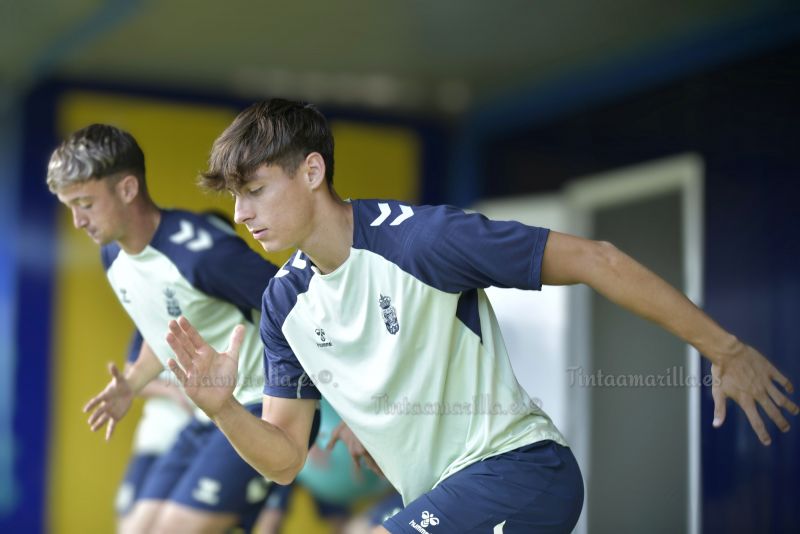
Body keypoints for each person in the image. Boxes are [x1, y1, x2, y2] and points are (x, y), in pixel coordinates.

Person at [164, 99, 798, 534]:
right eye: (234, 198)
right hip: (447, 500)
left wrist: (726, 349)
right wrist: (223, 409)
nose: (242, 215)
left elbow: (597, 258)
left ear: (311, 170)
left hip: (521, 471)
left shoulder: (421, 242)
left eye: (254, 190)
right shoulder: (283, 303)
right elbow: (283, 458)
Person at [46, 124, 295, 533]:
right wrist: (131, 383)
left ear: (127, 189)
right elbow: (159, 329)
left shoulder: (201, 255)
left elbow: (298, 307)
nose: (77, 221)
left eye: (86, 203)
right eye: (69, 206)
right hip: (204, 416)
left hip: (257, 410)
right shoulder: (114, 255)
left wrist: (340, 405)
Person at [115, 331, 193, 529]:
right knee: (129, 522)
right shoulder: (148, 311)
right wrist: (174, 393)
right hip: (155, 440)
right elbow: (131, 381)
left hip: (195, 444)